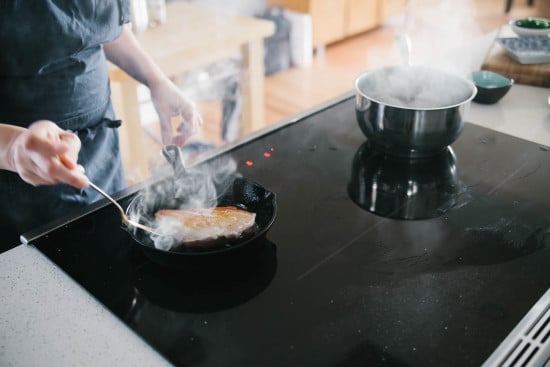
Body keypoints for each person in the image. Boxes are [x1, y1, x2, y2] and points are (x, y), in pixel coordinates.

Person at [0, 1, 202, 252]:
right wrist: (10, 148)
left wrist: (156, 80)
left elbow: (92, 26)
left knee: (113, 249)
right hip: (17, 176)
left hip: (101, 146)